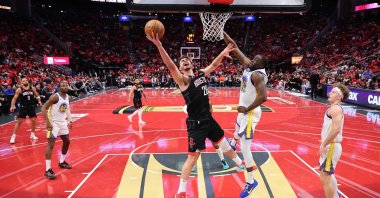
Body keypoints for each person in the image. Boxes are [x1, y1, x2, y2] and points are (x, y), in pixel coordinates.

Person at [147, 33, 245, 198]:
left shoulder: (200, 74)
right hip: (196, 124)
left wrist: (225, 51)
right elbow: (170, 65)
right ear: (180, 68)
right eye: (181, 62)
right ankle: (181, 192)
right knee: (192, 157)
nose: (184, 61)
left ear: (191, 63)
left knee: (224, 143)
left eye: (186, 60)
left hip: (209, 119)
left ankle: (240, 164)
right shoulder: (183, 80)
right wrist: (159, 45)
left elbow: (214, 65)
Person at [224, 32, 268, 198]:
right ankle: (234, 142)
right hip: (244, 111)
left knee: (246, 147)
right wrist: (219, 28)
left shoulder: (257, 75)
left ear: (260, 64)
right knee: (236, 128)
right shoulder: (251, 68)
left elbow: (264, 97)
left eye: (254, 59)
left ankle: (251, 182)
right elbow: (234, 46)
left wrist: (247, 108)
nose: (251, 60)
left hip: (250, 113)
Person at [318, 83, 349, 198]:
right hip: (329, 145)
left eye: (333, 92)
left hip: (330, 147)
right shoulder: (333, 108)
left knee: (325, 178)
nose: (330, 93)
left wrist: (323, 144)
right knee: (328, 176)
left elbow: (336, 129)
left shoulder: (336, 109)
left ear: (339, 97)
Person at [41, 81, 73, 179]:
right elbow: (43, 108)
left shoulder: (67, 97)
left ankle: (62, 162)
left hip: (62, 122)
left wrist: (70, 121)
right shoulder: (55, 97)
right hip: (53, 122)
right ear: (59, 87)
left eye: (66, 85)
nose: (65, 87)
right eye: (63, 85)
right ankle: (47, 170)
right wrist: (48, 122)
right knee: (51, 145)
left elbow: (67, 109)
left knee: (67, 141)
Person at [9, 78, 42, 144]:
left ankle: (32, 134)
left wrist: (39, 101)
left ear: (28, 81)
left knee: (33, 120)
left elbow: (37, 95)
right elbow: (14, 98)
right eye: (23, 81)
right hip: (23, 107)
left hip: (31, 106)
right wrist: (12, 106)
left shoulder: (32, 88)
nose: (25, 81)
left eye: (26, 80)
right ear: (21, 82)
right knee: (19, 121)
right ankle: (13, 136)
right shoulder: (19, 89)